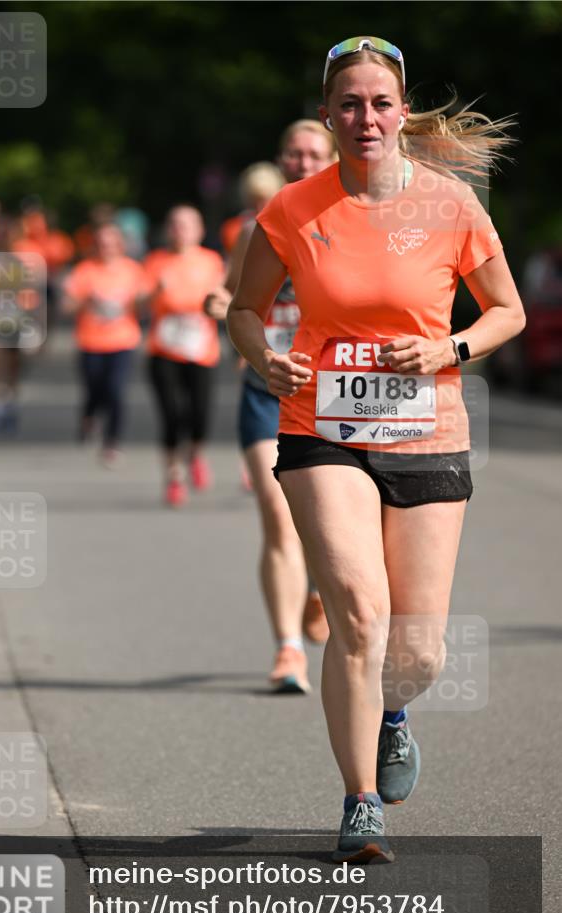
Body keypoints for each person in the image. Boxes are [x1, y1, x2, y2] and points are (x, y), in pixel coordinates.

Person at [228, 37, 525, 862]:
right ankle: (360, 801)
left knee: (418, 649)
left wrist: (449, 350)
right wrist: (263, 355)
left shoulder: (450, 205)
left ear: (401, 112)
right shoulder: (291, 209)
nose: (365, 117)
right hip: (319, 427)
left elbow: (507, 312)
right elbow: (244, 311)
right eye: (349, 104)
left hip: (427, 430)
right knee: (360, 615)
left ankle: (393, 714)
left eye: (379, 103)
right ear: (327, 114)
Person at [207, 123, 336, 694]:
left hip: (333, 395)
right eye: (293, 151)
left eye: (314, 152)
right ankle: (288, 649)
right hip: (267, 391)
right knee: (278, 515)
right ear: (281, 160)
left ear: (330, 157)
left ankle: (316, 589)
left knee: (325, 524)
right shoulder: (255, 228)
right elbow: (237, 298)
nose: (302, 160)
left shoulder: (352, 223)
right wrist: (222, 305)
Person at [144, 205, 224, 506]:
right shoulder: (156, 261)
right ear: (168, 230)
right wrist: (155, 291)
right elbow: (140, 305)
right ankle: (174, 476)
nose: (180, 230)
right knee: (171, 415)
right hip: (163, 348)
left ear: (199, 230)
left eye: (187, 225)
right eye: (175, 224)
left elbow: (223, 300)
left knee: (200, 415)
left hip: (200, 349)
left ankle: (195, 454)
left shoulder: (211, 261)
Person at [63, 223, 150, 467]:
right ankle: (89, 416)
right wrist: (85, 302)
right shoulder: (85, 270)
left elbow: (143, 305)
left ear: (120, 245)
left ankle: (112, 442)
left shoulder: (132, 270)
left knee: (115, 391)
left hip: (123, 340)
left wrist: (146, 300)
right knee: (94, 390)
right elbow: (66, 307)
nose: (106, 248)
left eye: (111, 243)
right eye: (101, 243)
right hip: (90, 342)